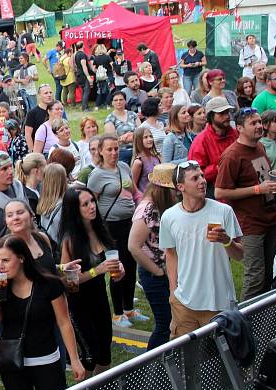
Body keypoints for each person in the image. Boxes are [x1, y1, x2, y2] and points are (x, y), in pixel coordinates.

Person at [0, 234, 86, 390]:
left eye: (6, 260)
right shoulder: (2, 287)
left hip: (46, 359)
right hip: (14, 363)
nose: (1, 265)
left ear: (21, 258)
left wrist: (75, 359)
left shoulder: (49, 284)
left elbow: (64, 322)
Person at [160, 161, 243, 337]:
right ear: (181, 187)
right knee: (185, 359)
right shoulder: (169, 217)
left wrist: (226, 240)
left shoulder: (224, 211)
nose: (203, 181)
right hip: (183, 303)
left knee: (219, 360)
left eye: (203, 176)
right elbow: (171, 253)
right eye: (195, 178)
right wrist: (173, 291)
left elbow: (240, 254)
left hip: (218, 303)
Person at [215, 107, 276, 300]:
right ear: (239, 128)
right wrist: (257, 190)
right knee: (255, 277)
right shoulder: (232, 155)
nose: (259, 126)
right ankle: (244, 324)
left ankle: (264, 323)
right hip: (250, 225)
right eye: (254, 123)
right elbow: (220, 191)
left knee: (268, 275)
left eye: (260, 122)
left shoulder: (259, 147)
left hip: (270, 218)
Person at [59, 186, 119, 375]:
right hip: (79, 305)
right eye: (85, 204)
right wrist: (97, 271)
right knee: (90, 358)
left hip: (100, 300)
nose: (92, 206)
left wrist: (120, 270)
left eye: (92, 201)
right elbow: (69, 282)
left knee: (104, 353)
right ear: (74, 210)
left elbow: (111, 261)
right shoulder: (70, 240)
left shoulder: (99, 229)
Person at [87, 135, 143, 327]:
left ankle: (129, 308)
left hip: (129, 223)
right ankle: (118, 313)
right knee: (116, 267)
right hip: (110, 227)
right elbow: (89, 204)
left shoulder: (124, 168)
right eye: (109, 149)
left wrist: (142, 207)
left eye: (116, 148)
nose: (114, 153)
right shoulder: (97, 175)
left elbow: (135, 192)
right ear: (100, 151)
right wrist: (94, 231)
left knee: (131, 264)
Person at [127, 164, 177, 350]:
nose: (177, 192)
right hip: (153, 274)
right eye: (173, 188)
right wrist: (157, 272)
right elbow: (133, 246)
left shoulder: (162, 205)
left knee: (172, 321)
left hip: (167, 270)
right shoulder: (147, 209)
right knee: (164, 324)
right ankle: (152, 364)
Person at [187, 96, 239, 198]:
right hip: (213, 193)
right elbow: (195, 174)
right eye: (221, 114)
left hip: (239, 188)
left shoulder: (235, 134)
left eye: (227, 112)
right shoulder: (201, 141)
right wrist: (219, 168)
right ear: (211, 116)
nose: (226, 116)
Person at [104, 91, 139, 165]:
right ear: (112, 103)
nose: (118, 102)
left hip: (138, 147)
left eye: (121, 99)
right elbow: (111, 141)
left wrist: (133, 135)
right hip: (122, 151)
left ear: (125, 101)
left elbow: (141, 132)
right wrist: (125, 139)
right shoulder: (110, 119)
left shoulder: (133, 115)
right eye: (116, 100)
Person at [131, 128, 161, 198]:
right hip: (146, 199)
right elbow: (133, 185)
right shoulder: (138, 162)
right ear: (139, 140)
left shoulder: (156, 157)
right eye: (145, 137)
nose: (150, 139)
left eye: (151, 136)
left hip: (158, 197)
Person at [23, 84, 54, 148]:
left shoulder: (55, 110)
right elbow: (28, 134)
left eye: (50, 92)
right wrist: (32, 150)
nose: (49, 95)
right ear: (39, 95)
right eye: (46, 93)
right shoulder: (32, 113)